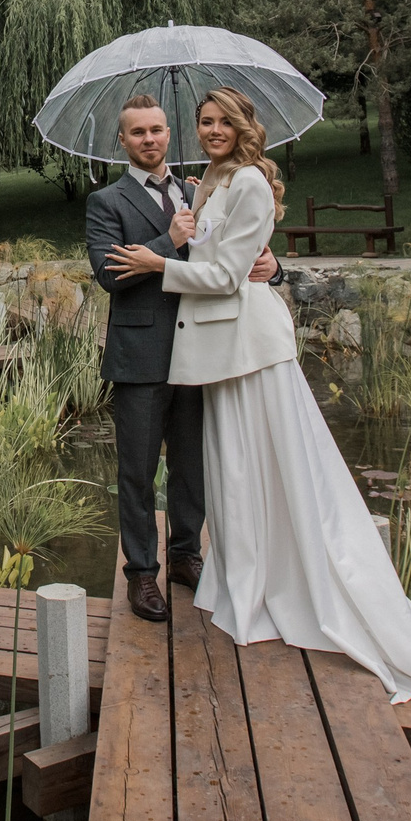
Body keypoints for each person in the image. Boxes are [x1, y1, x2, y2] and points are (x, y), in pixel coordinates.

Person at [107, 85, 411, 714]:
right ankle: (191, 573)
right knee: (206, 469)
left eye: (222, 121)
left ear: (244, 126)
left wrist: (248, 266)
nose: (209, 130)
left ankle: (253, 574)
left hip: (239, 348)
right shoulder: (186, 188)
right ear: (128, 140)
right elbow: (144, 266)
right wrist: (188, 245)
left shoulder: (236, 183)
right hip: (188, 354)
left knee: (246, 467)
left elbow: (233, 266)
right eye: (204, 122)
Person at [84, 94, 278, 624]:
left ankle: (187, 556)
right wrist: (167, 241)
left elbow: (232, 255)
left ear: (171, 134)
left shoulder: (202, 189)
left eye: (158, 130)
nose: (149, 139)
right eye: (138, 132)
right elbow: (109, 274)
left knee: (193, 466)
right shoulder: (108, 202)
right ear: (122, 141)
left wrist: (272, 264)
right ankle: (142, 573)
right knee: (139, 471)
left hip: (203, 351)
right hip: (141, 356)